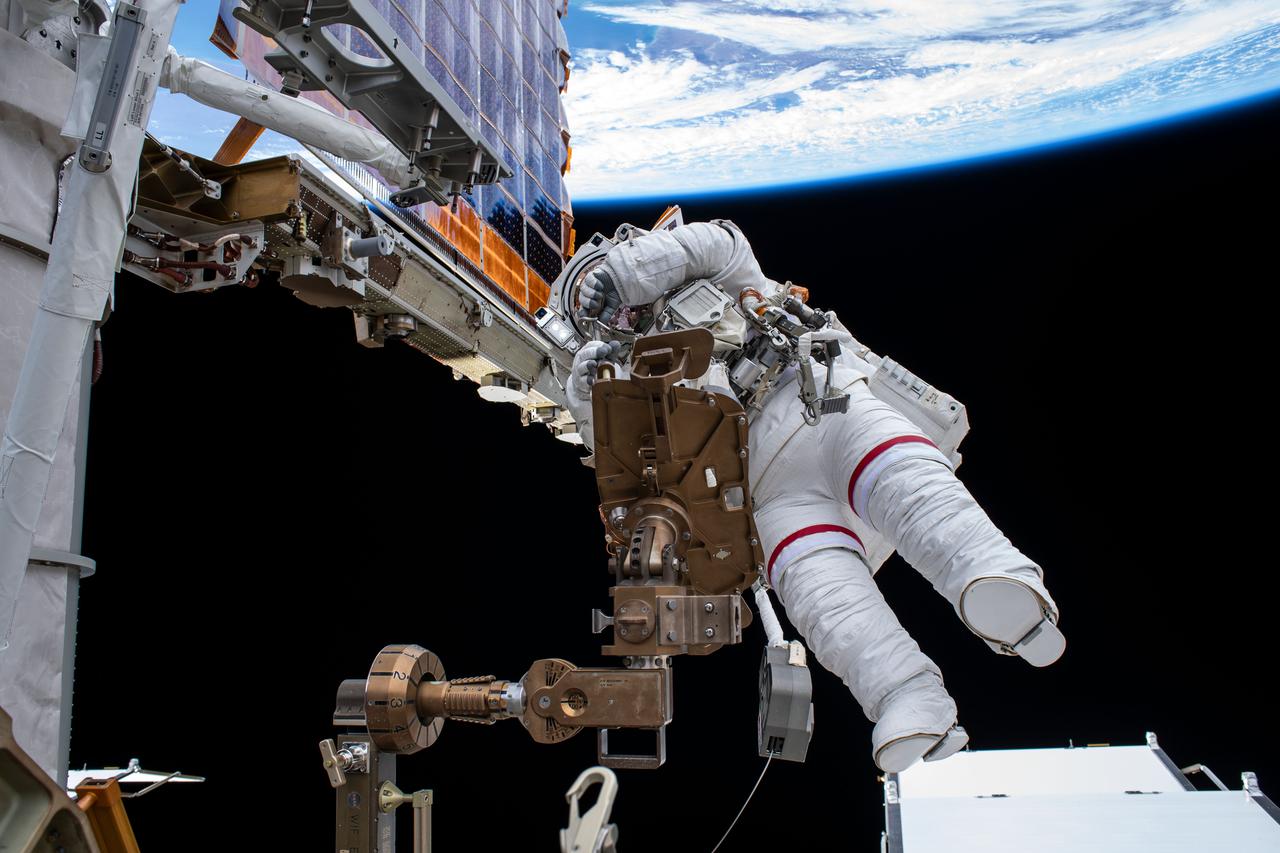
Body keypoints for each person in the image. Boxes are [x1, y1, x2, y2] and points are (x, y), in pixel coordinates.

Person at [565, 220, 1064, 772]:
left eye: (604, 293)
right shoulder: (623, 374)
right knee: (825, 603)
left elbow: (713, 242)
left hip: (819, 404)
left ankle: (1001, 583)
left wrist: (622, 274)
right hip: (763, 493)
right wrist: (588, 388)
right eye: (595, 311)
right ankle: (906, 698)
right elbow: (614, 455)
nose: (613, 314)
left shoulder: (726, 272)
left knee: (914, 492)